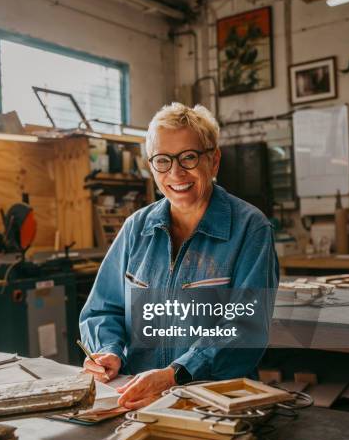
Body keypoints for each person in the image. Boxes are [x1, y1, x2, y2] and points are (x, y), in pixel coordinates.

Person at [80, 103, 279, 409]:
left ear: (213, 161)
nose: (175, 172)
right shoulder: (137, 228)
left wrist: (177, 374)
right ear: (152, 166)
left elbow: (246, 329)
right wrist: (109, 351)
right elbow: (102, 310)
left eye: (188, 157)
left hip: (217, 403)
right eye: (162, 160)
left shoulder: (250, 228)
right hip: (137, 399)